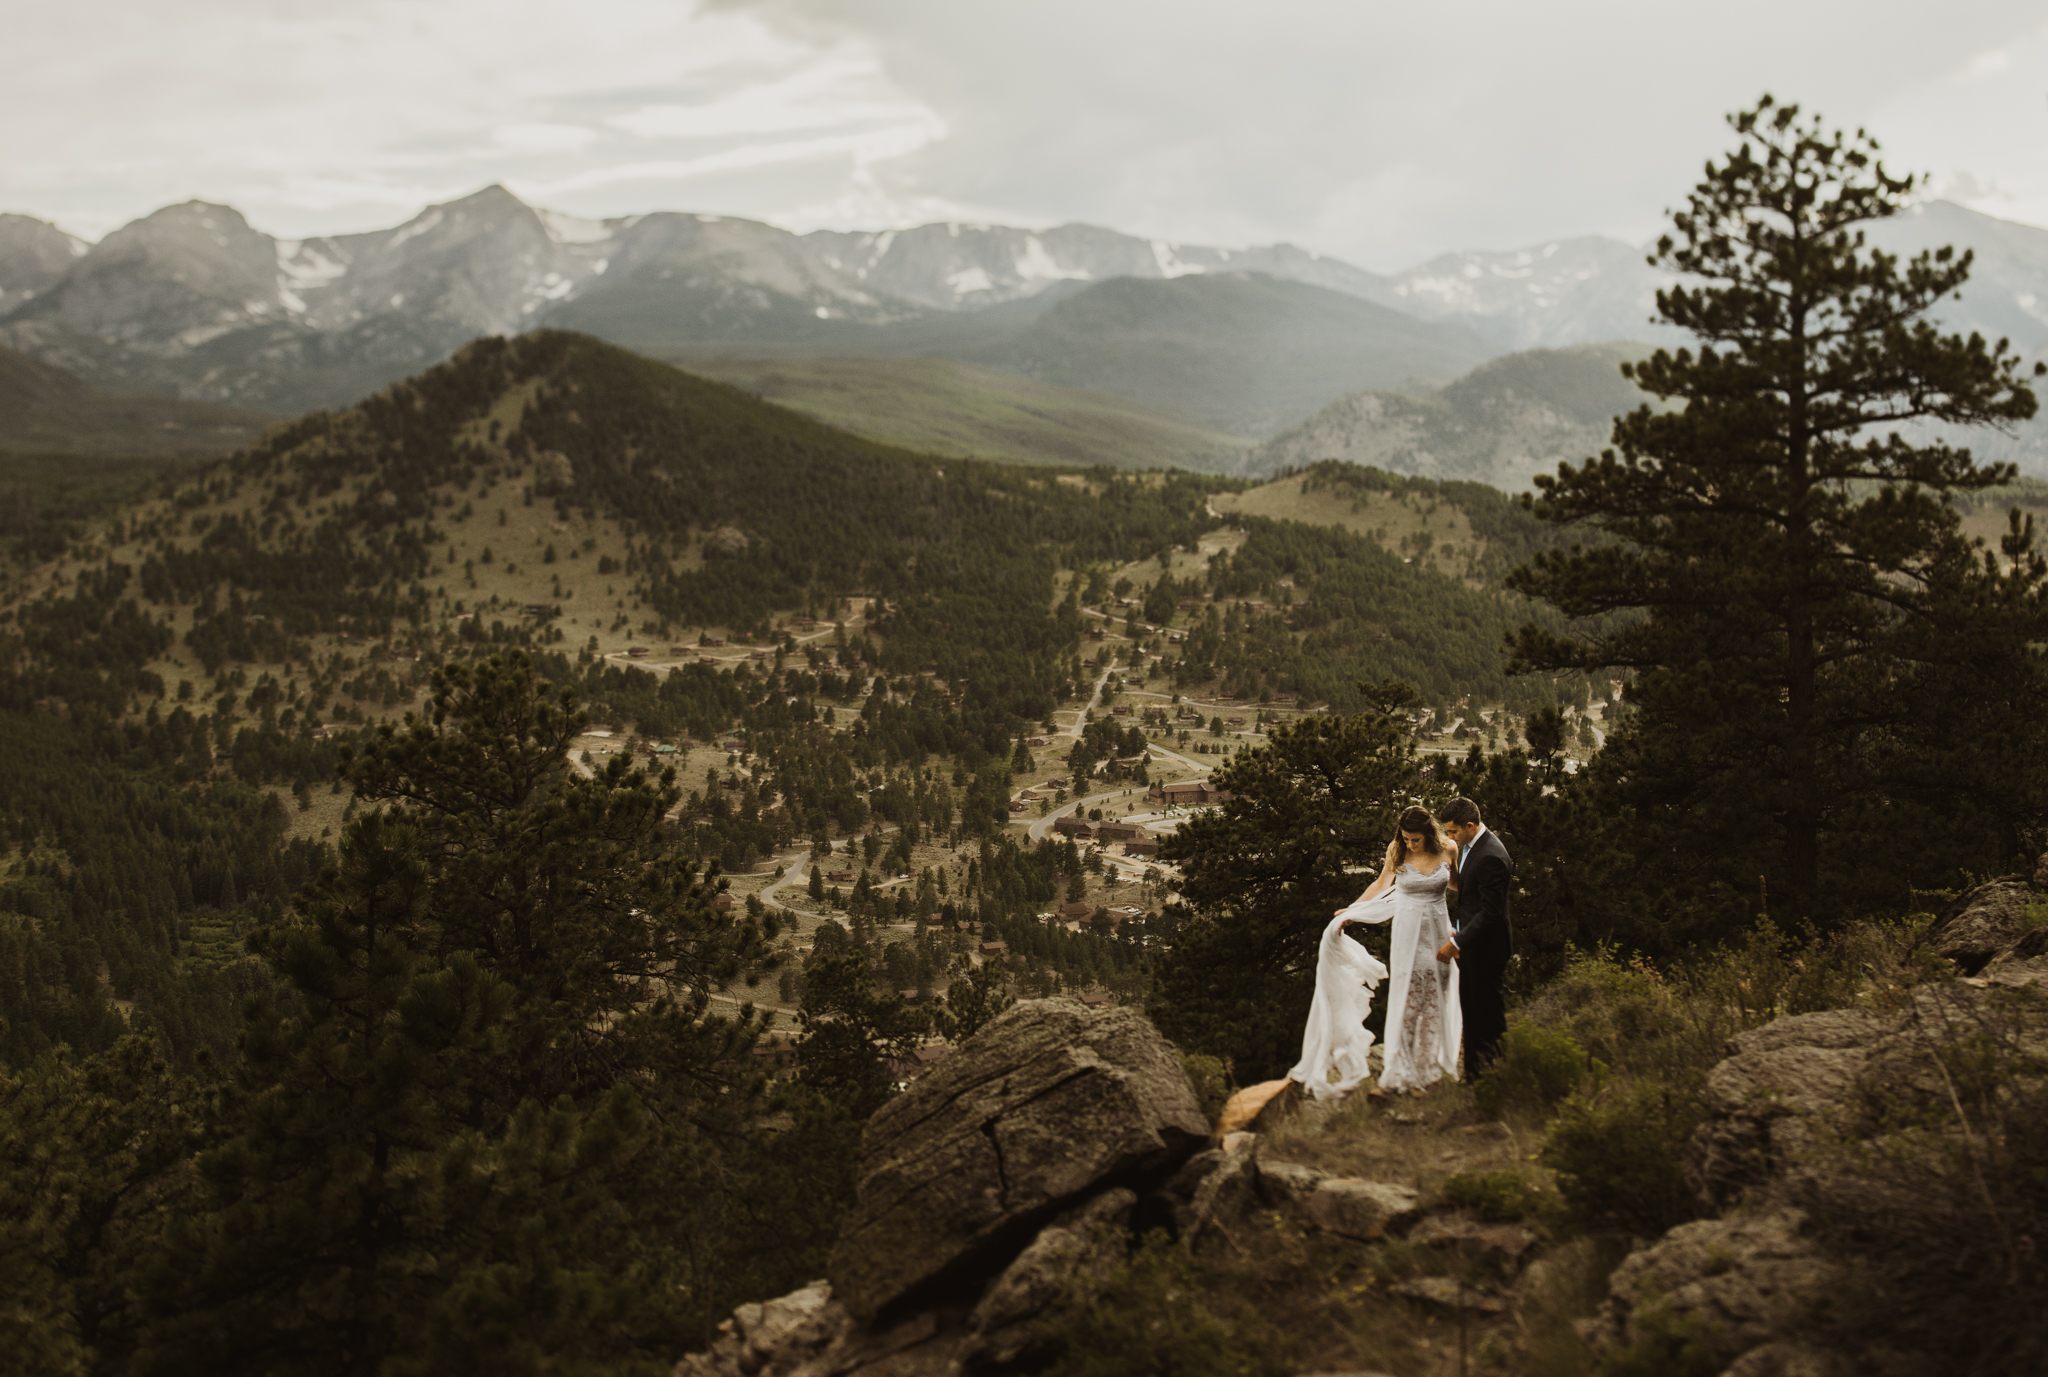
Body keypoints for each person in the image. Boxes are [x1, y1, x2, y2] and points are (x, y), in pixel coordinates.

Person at [1329, 805, 1462, 1095]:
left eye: (1416, 839)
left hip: (1439, 930)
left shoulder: (1448, 848)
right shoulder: (1397, 850)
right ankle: (1402, 1070)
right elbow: (1380, 885)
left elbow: (1455, 885)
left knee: (1435, 1001)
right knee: (1408, 1003)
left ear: (1428, 833)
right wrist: (1351, 912)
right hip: (1408, 933)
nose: (1411, 844)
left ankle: (1425, 1071)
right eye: (1406, 838)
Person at [1436, 796, 1513, 1079]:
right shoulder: (1472, 846)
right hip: (1472, 946)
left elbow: (1490, 913)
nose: (1449, 837)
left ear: (1470, 825)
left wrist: (1456, 942)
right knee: (1472, 1014)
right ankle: (1473, 1076)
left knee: (1488, 1018)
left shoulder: (1491, 855)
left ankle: (1495, 1077)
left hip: (1487, 950)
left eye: (1453, 831)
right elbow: (1470, 898)